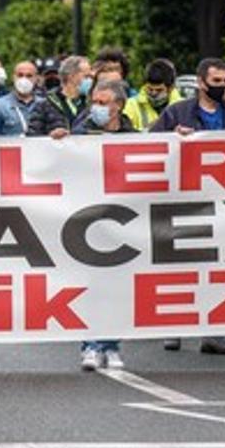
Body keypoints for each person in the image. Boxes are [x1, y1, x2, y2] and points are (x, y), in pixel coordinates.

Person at [151, 57, 225, 356]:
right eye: (217, 81)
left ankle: (213, 332)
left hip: (220, 203)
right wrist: (171, 139)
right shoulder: (176, 113)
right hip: (182, 200)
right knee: (181, 266)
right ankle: (174, 326)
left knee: (215, 267)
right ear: (202, 82)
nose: (222, 87)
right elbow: (147, 147)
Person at [72, 80, 136, 370]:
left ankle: (111, 346)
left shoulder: (133, 136)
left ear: (118, 106)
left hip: (121, 221)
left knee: (116, 286)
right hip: (86, 219)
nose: (95, 108)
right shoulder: (80, 132)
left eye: (103, 102)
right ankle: (90, 345)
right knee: (91, 285)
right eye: (94, 102)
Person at [27, 55, 90, 138]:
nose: (90, 81)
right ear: (71, 76)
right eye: (86, 76)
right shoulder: (44, 105)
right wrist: (50, 137)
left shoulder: (91, 104)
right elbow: (32, 138)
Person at [0, 60, 40, 137]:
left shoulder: (44, 104)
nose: (24, 79)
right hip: (12, 148)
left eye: (29, 76)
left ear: (36, 79)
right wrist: (14, 140)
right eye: (20, 75)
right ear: (13, 77)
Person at [124, 59, 181, 131]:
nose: (153, 93)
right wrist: (149, 130)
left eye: (159, 90)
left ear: (171, 88)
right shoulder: (131, 105)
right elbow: (125, 134)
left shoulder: (182, 108)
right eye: (150, 89)